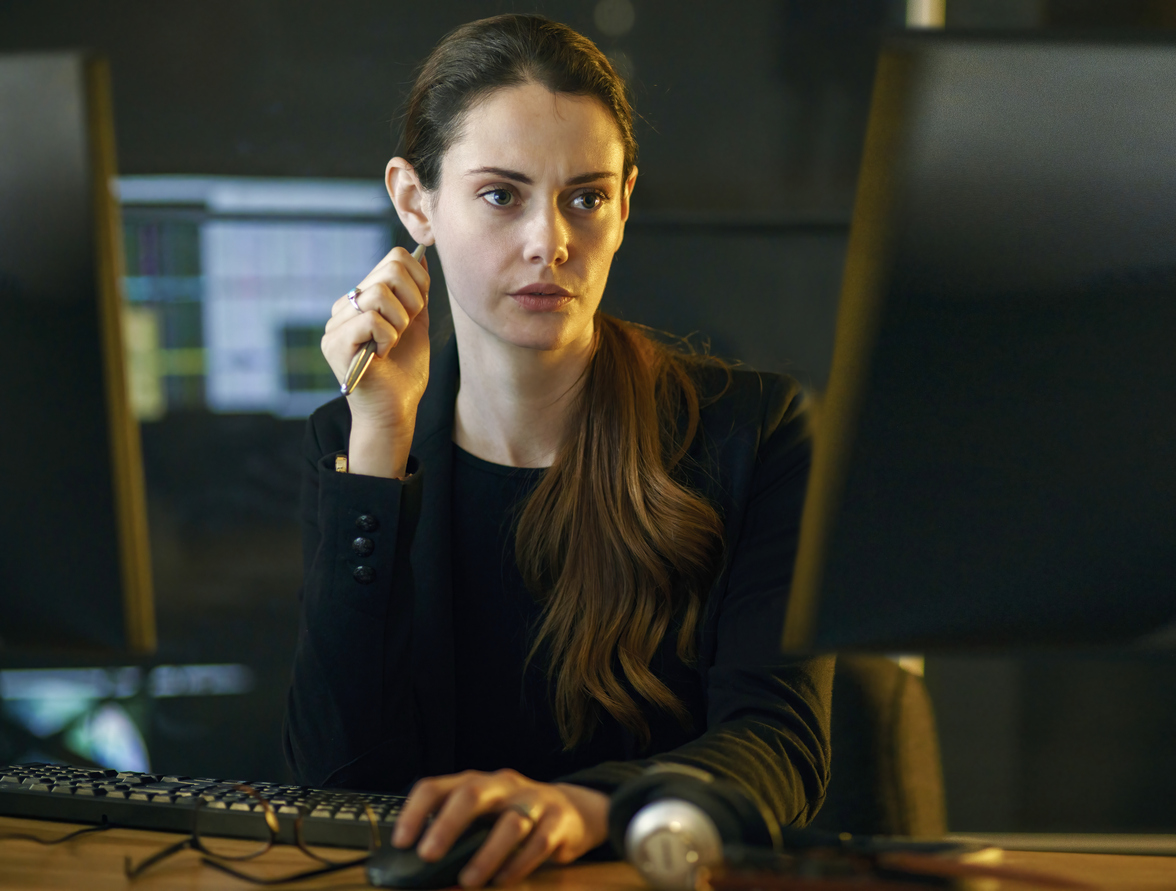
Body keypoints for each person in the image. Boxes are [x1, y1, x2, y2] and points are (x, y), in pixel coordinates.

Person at [284, 13, 832, 888]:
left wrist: (592, 808)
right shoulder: (352, 444)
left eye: (586, 197)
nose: (552, 242)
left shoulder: (752, 432)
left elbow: (781, 745)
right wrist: (380, 439)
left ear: (625, 203)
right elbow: (331, 779)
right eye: (502, 196)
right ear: (415, 201)